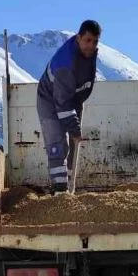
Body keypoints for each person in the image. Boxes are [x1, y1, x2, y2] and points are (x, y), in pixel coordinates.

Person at [36, 20, 101, 194]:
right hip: (49, 100)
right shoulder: (65, 63)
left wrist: (75, 126)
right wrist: (74, 129)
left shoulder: (88, 55)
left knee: (74, 144)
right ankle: (60, 194)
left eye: (95, 41)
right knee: (58, 144)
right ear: (79, 38)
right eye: (88, 40)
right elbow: (62, 104)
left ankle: (70, 183)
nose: (91, 45)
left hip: (72, 99)